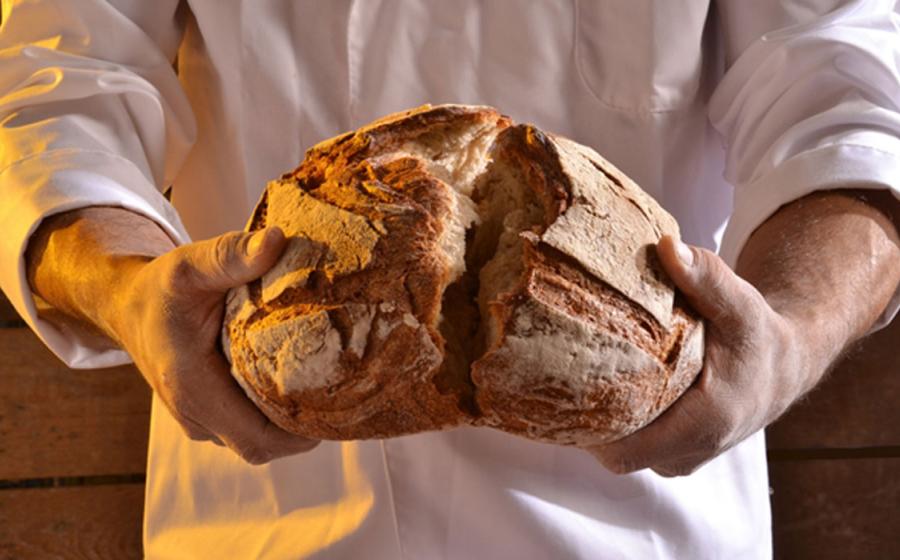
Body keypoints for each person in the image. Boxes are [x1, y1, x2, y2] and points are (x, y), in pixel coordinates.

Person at [2, 0, 899, 558]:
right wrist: (124, 287)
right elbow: (55, 92)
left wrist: (790, 335)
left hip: (644, 533)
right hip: (268, 525)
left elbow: (851, 99)